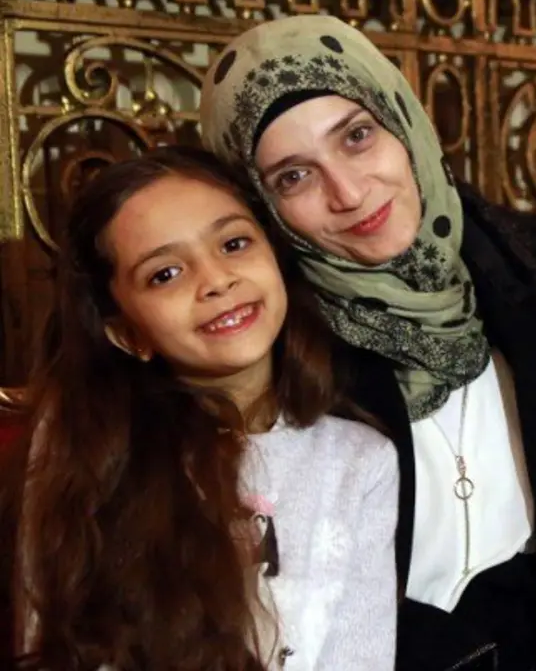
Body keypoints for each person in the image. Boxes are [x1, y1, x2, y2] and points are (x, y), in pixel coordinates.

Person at [199, 15, 536, 671]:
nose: (350, 194)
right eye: (294, 177)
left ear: (402, 120)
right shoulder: (280, 354)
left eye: (357, 137)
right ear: (258, 205)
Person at [0, 147, 398, 669]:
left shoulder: (359, 460)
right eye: (165, 274)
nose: (215, 281)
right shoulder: (81, 445)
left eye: (234, 243)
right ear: (125, 332)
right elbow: (49, 644)